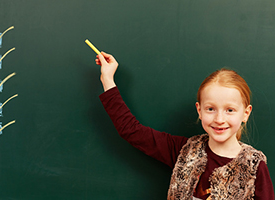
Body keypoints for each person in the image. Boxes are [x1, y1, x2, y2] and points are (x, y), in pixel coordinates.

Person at [95, 52, 275, 200]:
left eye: (230, 110)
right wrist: (107, 79)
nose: (220, 119)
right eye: (211, 109)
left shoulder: (254, 166)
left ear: (245, 113)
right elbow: (132, 131)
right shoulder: (184, 151)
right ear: (199, 110)